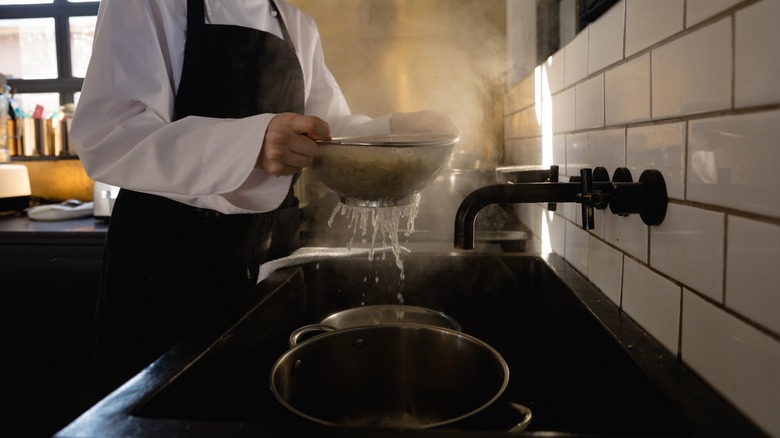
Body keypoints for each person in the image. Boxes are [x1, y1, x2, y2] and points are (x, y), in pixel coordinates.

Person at [72, 0, 459, 395]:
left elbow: (329, 131)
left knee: (255, 397)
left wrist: (394, 130)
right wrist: (251, 143)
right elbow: (110, 134)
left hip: (265, 264)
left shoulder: (296, 23)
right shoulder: (144, 4)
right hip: (166, 269)